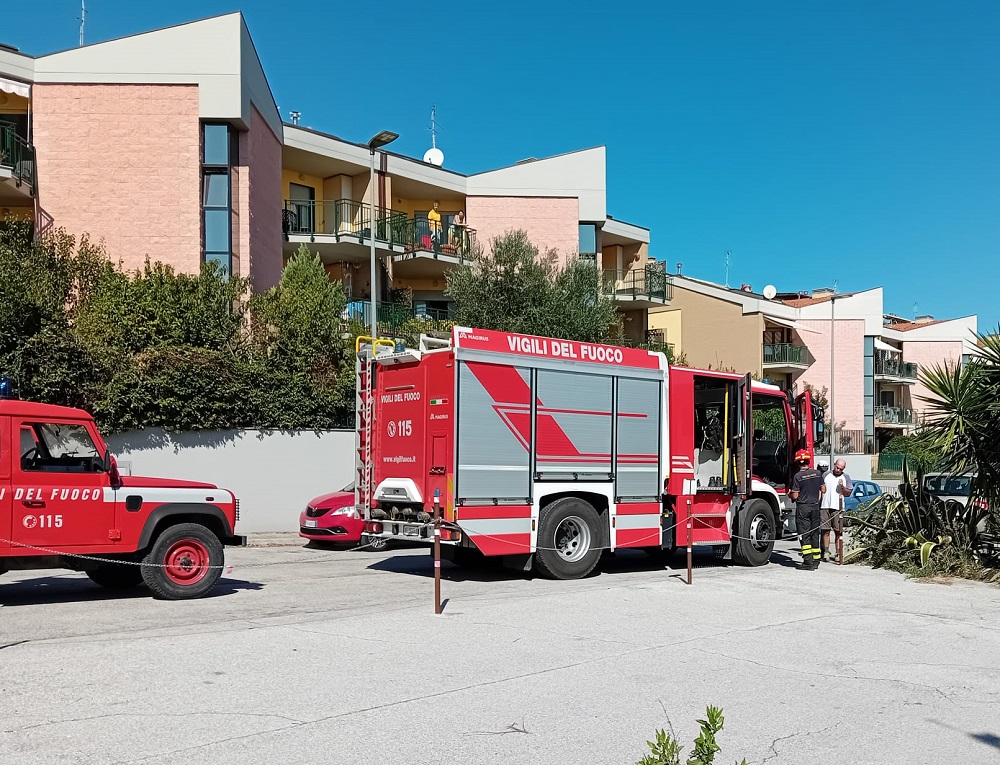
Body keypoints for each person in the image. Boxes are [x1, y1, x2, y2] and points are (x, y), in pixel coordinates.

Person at [788, 449, 826, 570]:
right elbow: (823, 489)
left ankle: (808, 562)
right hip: (815, 506)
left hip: (803, 508)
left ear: (798, 463)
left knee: (804, 534)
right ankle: (816, 560)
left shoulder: (798, 476)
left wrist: (790, 494)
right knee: (815, 533)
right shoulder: (818, 474)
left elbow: (795, 495)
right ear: (809, 461)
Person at [820, 458, 852, 562]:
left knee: (838, 532)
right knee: (825, 531)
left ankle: (838, 553)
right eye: (837, 467)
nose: (838, 470)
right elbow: (821, 488)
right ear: (834, 465)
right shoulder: (826, 475)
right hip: (825, 506)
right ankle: (826, 552)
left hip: (838, 508)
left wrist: (842, 487)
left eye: (841, 469)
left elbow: (848, 493)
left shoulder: (846, 477)